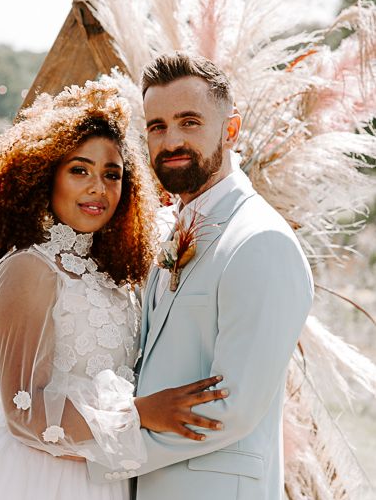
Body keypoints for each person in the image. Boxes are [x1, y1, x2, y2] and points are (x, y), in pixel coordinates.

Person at [0, 81, 226, 500]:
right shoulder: (29, 269)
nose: (97, 188)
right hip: (35, 479)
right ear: (44, 175)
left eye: (112, 174)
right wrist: (140, 414)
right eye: (79, 170)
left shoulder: (113, 273)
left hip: (105, 477)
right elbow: (22, 411)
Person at [86, 53, 314, 499]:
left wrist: (99, 448)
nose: (171, 141)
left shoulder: (260, 241)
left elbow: (231, 408)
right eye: (157, 126)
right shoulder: (170, 228)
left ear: (230, 129)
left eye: (189, 122)